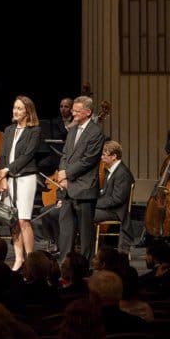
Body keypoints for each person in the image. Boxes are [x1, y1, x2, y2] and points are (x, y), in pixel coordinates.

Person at [56, 95, 105, 262]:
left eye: (77, 111)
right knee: (66, 230)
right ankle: (65, 263)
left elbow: (88, 160)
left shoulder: (96, 132)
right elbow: (65, 154)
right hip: (67, 188)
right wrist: (62, 175)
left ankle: (85, 266)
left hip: (84, 188)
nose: (73, 113)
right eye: (73, 110)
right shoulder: (73, 130)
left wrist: (67, 174)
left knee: (85, 234)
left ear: (88, 112)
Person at [0, 95, 41, 271]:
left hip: (26, 178)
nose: (15, 111)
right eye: (15, 108)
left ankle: (31, 259)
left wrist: (9, 169)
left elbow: (28, 155)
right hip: (9, 179)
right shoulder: (8, 130)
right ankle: (18, 258)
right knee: (12, 220)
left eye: (20, 108)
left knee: (23, 220)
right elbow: (3, 155)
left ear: (28, 111)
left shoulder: (34, 131)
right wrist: (3, 178)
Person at [93, 140, 134, 253]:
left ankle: (91, 250)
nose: (101, 158)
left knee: (86, 213)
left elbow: (117, 199)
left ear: (114, 156)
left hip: (116, 212)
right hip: (109, 209)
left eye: (104, 155)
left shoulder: (122, 173)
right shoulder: (112, 171)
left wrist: (95, 203)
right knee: (82, 210)